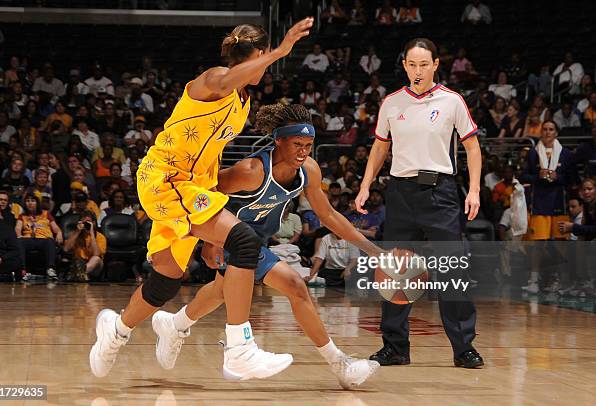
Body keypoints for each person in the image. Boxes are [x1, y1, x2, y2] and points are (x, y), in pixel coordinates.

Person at [89, 19, 314, 381]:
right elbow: (226, 80)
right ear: (257, 55)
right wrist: (282, 51)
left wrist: (213, 221)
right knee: (242, 240)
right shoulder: (214, 79)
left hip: (195, 188)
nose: (267, 69)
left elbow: (210, 156)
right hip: (166, 179)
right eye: (265, 59)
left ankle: (115, 331)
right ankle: (239, 349)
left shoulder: (243, 101)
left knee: (166, 278)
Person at [151, 104, 380, 388]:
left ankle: (175, 324)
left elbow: (329, 215)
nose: (303, 151)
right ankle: (340, 363)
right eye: (297, 144)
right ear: (278, 141)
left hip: (255, 240)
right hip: (234, 238)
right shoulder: (251, 170)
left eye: (308, 145)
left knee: (220, 292)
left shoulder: (308, 170)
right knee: (296, 285)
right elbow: (205, 194)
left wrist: (375, 252)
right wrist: (210, 241)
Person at [356, 38, 484, 368]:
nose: (417, 70)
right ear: (404, 66)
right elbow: (380, 149)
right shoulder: (391, 103)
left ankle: (463, 347)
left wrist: (473, 190)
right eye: (412, 64)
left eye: (423, 64)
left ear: (436, 65)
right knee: (396, 273)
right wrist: (365, 185)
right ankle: (395, 347)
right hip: (400, 193)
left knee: (451, 271)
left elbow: (471, 147)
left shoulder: (452, 101)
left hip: (441, 192)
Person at [15, 193, 64, 279]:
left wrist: (59, 233)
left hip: (44, 239)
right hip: (29, 239)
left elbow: (55, 227)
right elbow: (18, 228)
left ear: (37, 203)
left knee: (50, 241)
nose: (30, 203)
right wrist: (19, 236)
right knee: (19, 241)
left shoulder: (46, 214)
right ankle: (22, 270)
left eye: (33, 201)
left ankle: (50, 269)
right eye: (27, 201)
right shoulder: (22, 216)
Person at [64, 210, 106, 282]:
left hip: (94, 267)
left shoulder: (100, 237)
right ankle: (80, 275)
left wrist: (92, 233)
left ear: (94, 223)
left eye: (88, 222)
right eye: (84, 222)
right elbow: (66, 249)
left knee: (96, 258)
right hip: (79, 263)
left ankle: (78, 274)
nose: (86, 225)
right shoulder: (75, 234)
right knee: (78, 263)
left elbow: (96, 254)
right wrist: (78, 231)